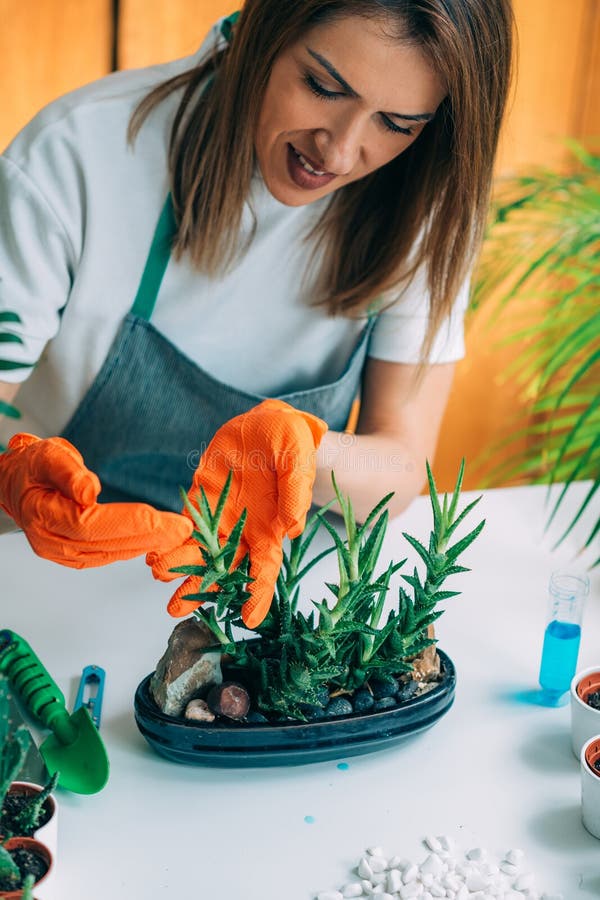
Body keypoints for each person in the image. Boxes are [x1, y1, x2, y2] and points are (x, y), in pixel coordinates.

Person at [0, 0, 513, 626]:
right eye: (323, 87)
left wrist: (304, 453)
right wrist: (11, 476)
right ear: (266, 30)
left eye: (398, 124)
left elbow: (401, 464)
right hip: (54, 585)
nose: (341, 151)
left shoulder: (425, 207)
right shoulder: (78, 155)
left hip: (266, 594)